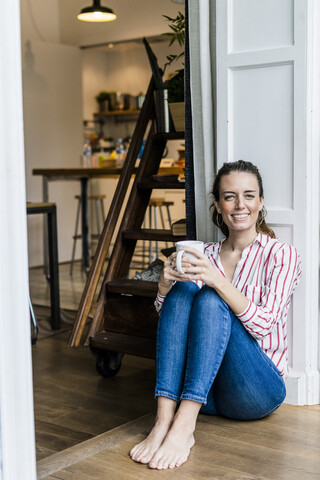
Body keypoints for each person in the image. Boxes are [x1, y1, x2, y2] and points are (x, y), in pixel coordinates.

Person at [130, 160, 301, 470]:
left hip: (256, 390)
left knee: (210, 297)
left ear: (261, 202)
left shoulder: (281, 254)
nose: (240, 205)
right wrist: (165, 287)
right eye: (229, 196)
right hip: (205, 389)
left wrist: (217, 281)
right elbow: (172, 322)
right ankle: (164, 420)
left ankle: (183, 427)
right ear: (218, 204)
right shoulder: (204, 252)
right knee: (183, 292)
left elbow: (263, 326)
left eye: (249, 195)